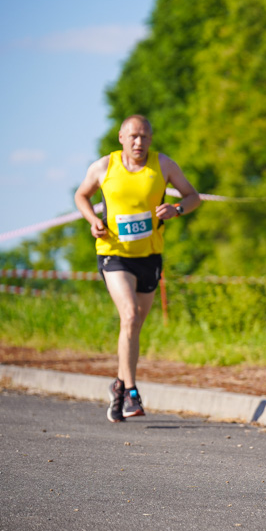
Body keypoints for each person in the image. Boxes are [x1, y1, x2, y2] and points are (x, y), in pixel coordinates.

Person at [74, 115, 201, 423]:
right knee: (129, 315)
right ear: (121, 137)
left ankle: (117, 386)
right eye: (133, 136)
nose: (138, 142)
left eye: (144, 136)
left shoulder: (164, 165)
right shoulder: (104, 167)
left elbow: (193, 196)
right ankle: (131, 392)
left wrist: (177, 209)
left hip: (149, 256)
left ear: (151, 139)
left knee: (134, 326)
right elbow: (81, 196)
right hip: (114, 253)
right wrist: (94, 221)